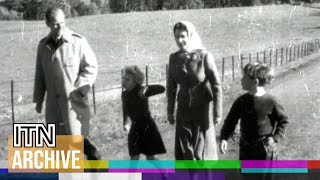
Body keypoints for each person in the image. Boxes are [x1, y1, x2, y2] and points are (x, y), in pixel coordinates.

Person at [33, 7, 100, 160]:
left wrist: (80, 90)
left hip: (74, 107)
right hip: (53, 110)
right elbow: (40, 74)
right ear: (48, 23)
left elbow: (91, 67)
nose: (60, 27)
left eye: (62, 23)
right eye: (56, 24)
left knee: (78, 147)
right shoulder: (43, 46)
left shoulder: (78, 42)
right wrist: (38, 100)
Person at [166, 21, 222, 160]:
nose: (180, 40)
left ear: (190, 36)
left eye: (183, 36)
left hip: (202, 109)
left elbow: (216, 85)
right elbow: (171, 86)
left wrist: (218, 112)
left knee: (201, 151)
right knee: (186, 149)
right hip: (183, 109)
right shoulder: (173, 58)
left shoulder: (204, 56)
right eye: (177, 36)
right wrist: (170, 110)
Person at [219, 62, 289, 160]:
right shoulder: (241, 101)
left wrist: (274, 137)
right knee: (248, 175)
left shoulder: (271, 101)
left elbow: (284, 121)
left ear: (255, 82)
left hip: (265, 149)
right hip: (246, 149)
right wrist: (224, 138)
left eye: (244, 77)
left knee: (265, 175)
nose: (241, 79)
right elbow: (231, 120)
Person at [122, 65, 166, 160]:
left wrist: (146, 88)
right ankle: (131, 175)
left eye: (127, 79)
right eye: (123, 78)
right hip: (135, 128)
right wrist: (125, 121)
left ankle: (164, 171)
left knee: (150, 157)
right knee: (134, 157)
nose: (123, 81)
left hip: (147, 128)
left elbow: (162, 88)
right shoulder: (124, 94)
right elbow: (125, 109)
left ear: (136, 81)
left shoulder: (141, 91)